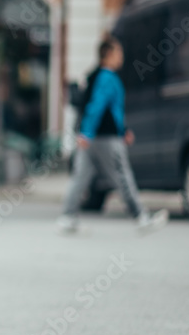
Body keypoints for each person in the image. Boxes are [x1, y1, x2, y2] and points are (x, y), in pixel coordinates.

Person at [57, 36, 169, 235]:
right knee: (122, 176)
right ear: (108, 55)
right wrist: (91, 133)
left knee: (80, 177)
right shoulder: (108, 78)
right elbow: (99, 107)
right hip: (105, 138)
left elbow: (98, 108)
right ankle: (140, 217)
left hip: (91, 138)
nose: (121, 57)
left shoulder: (92, 76)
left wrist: (91, 133)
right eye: (118, 53)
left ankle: (67, 217)